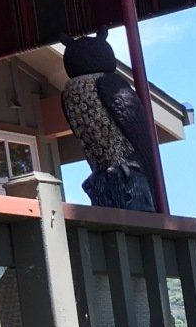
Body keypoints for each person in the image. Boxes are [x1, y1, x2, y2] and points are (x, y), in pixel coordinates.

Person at [59, 35, 157, 211]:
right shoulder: (68, 93)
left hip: (128, 164)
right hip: (103, 171)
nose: (87, 59)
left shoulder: (109, 83)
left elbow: (134, 131)